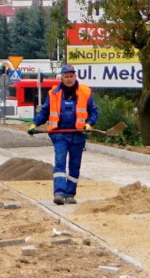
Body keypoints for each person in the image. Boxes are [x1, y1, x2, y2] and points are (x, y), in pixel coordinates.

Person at [28, 64, 99, 205]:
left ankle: (70, 194)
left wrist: (89, 124)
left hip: (78, 134)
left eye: (71, 76)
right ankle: (59, 193)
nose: (69, 79)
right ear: (62, 78)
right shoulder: (54, 93)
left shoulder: (85, 92)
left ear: (75, 76)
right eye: (66, 77)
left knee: (74, 165)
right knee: (60, 163)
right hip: (59, 134)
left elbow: (94, 112)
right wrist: (35, 123)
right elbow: (44, 112)